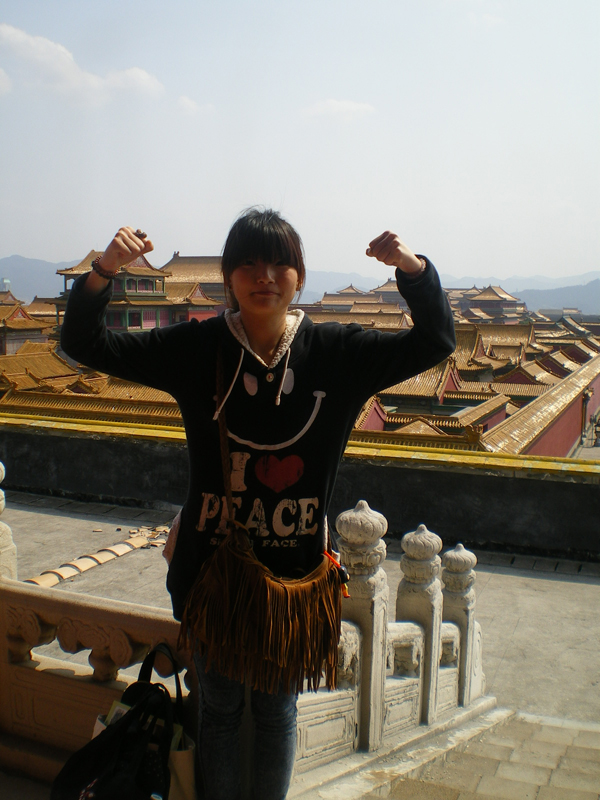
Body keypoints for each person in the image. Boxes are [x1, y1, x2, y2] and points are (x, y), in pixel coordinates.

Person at [60, 208, 456, 800]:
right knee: (219, 710)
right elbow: (84, 343)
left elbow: (436, 341)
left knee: (276, 712)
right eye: (248, 263)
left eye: (278, 263)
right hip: (213, 574)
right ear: (228, 277)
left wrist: (412, 268)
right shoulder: (199, 348)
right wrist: (105, 269)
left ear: (299, 276)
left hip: (294, 580)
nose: (264, 276)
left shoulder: (336, 351)